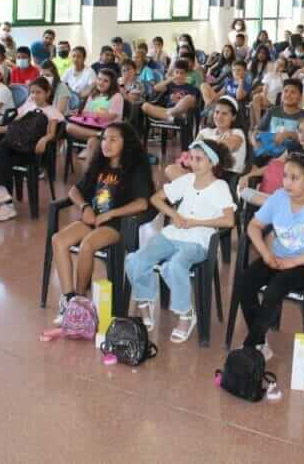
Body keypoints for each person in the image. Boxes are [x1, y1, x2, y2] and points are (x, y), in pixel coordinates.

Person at [126, 139, 236, 343]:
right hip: (173, 234)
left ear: (212, 162)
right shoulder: (186, 180)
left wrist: (197, 222)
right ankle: (144, 303)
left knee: (174, 266)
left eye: (199, 159)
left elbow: (229, 221)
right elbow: (155, 199)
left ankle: (186, 314)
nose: (193, 163)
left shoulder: (220, 187)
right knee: (136, 260)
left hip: (199, 241)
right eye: (191, 158)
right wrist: (174, 215)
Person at [235, 152, 304, 361]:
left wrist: (293, 262)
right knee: (244, 283)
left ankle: (250, 346)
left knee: (275, 289)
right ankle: (260, 343)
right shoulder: (278, 197)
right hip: (277, 258)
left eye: (294, 178)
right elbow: (254, 226)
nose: (287, 182)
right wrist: (266, 254)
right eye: (285, 176)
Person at [49, 122, 153, 322]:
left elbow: (142, 203)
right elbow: (74, 191)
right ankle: (69, 298)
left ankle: (80, 303)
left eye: (113, 140)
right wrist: (84, 207)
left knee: (87, 245)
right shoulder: (100, 165)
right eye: (104, 139)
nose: (106, 144)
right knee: (58, 240)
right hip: (93, 219)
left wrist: (112, 213)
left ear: (126, 143)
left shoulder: (135, 169)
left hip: (117, 224)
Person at [0, 77, 64, 222]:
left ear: (47, 93)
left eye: (38, 92)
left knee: (4, 157)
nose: (34, 96)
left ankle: (5, 201)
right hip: (17, 146)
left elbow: (52, 134)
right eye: (32, 92)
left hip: (31, 152)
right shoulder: (27, 106)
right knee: (3, 152)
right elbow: (13, 128)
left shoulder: (51, 111)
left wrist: (44, 139)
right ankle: (6, 201)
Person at [166, 96, 246, 180]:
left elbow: (227, 147)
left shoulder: (237, 133)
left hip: (224, 176)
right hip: (201, 172)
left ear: (233, 117)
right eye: (217, 112)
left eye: (224, 113)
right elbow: (192, 154)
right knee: (170, 169)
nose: (219, 116)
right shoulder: (205, 132)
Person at [66, 69, 124, 141]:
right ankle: (99, 135)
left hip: (108, 128)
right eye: (99, 79)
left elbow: (111, 116)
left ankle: (99, 136)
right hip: (91, 126)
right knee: (69, 127)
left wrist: (94, 114)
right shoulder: (93, 95)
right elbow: (85, 113)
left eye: (105, 81)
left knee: (92, 141)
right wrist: (78, 113)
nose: (101, 83)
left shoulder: (117, 96)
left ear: (112, 84)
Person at [141, 59, 200, 124]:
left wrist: (178, 101)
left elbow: (192, 102)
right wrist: (171, 79)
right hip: (166, 110)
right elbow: (156, 88)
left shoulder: (191, 87)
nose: (179, 75)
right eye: (177, 72)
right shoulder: (170, 85)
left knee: (189, 98)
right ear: (173, 73)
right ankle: (171, 118)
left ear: (186, 74)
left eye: (181, 73)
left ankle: (171, 115)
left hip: (181, 112)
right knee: (145, 106)